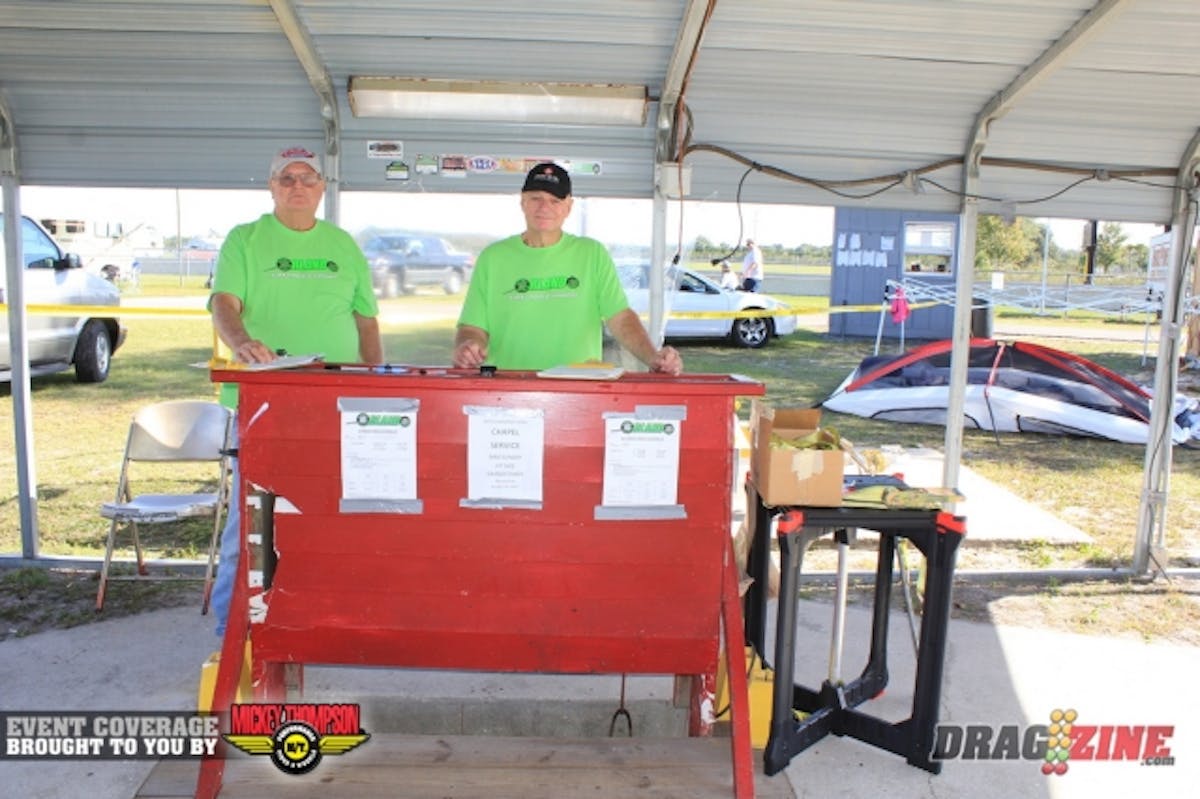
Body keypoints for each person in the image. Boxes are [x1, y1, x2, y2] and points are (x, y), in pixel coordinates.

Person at [208, 145, 383, 637]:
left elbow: (366, 321)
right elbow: (223, 303)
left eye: (308, 178)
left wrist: (373, 380)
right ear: (272, 186)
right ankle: (234, 636)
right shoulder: (245, 240)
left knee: (330, 515)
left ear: (323, 188)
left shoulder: (343, 244)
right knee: (251, 525)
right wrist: (241, 342)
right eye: (287, 178)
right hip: (266, 406)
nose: (298, 186)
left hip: (338, 403)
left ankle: (319, 619)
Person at [452, 162, 682, 375]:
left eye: (555, 201)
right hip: (509, 389)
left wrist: (653, 357)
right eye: (536, 198)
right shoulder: (493, 258)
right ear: (522, 202)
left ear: (569, 206)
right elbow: (473, 326)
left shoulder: (592, 254)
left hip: (578, 388)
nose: (544, 207)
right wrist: (468, 347)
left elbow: (620, 318)